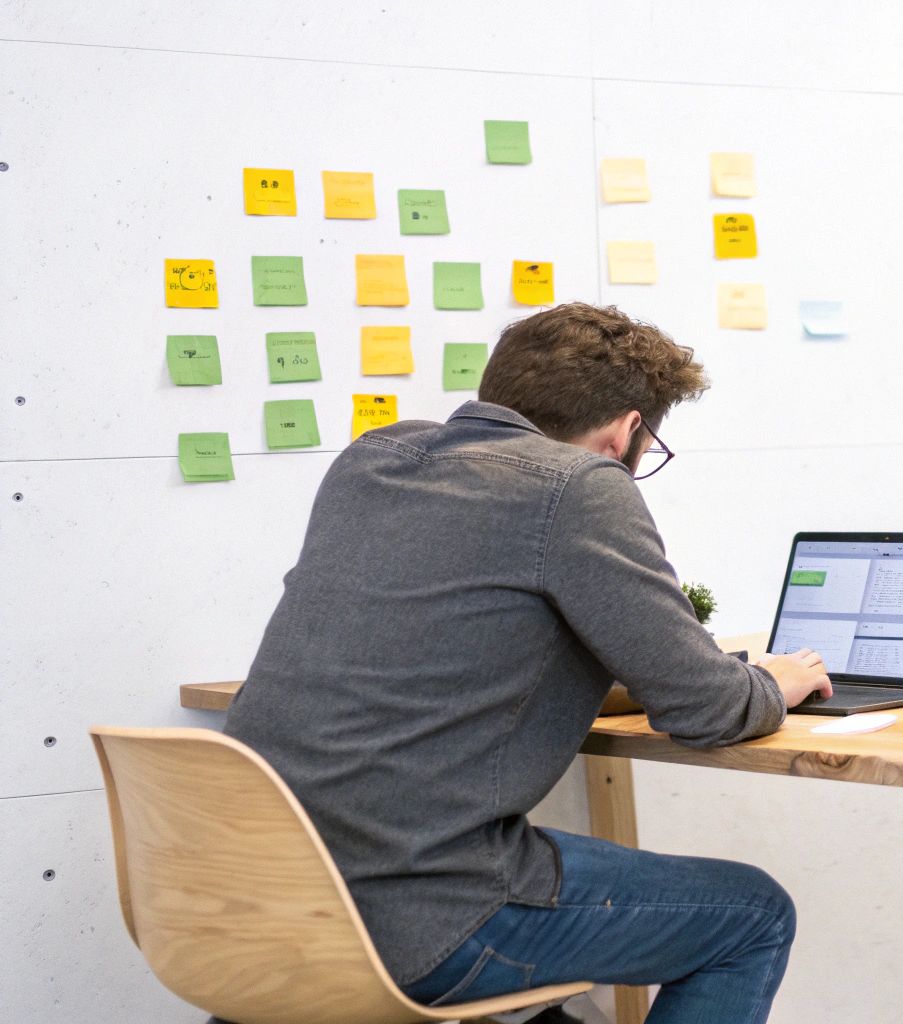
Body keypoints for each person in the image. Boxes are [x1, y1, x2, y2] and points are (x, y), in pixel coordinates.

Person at [223, 303, 832, 1024]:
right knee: (752, 914)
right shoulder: (576, 487)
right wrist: (773, 682)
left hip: (257, 902)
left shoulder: (372, 458)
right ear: (627, 430)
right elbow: (706, 708)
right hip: (419, 918)